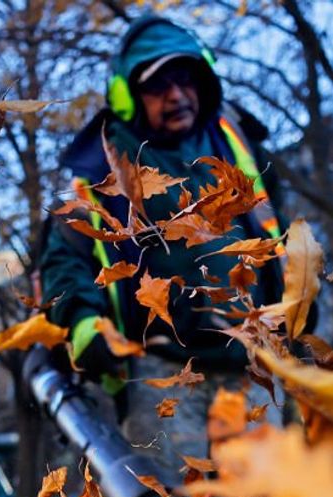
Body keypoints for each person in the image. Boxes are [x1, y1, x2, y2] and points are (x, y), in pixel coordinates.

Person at [39, 16, 306, 469]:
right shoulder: (101, 170)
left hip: (252, 367)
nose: (177, 95)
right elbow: (65, 263)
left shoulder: (238, 143)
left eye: (186, 80)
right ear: (126, 95)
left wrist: (300, 293)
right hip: (162, 374)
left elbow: (280, 231)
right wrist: (87, 327)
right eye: (159, 86)